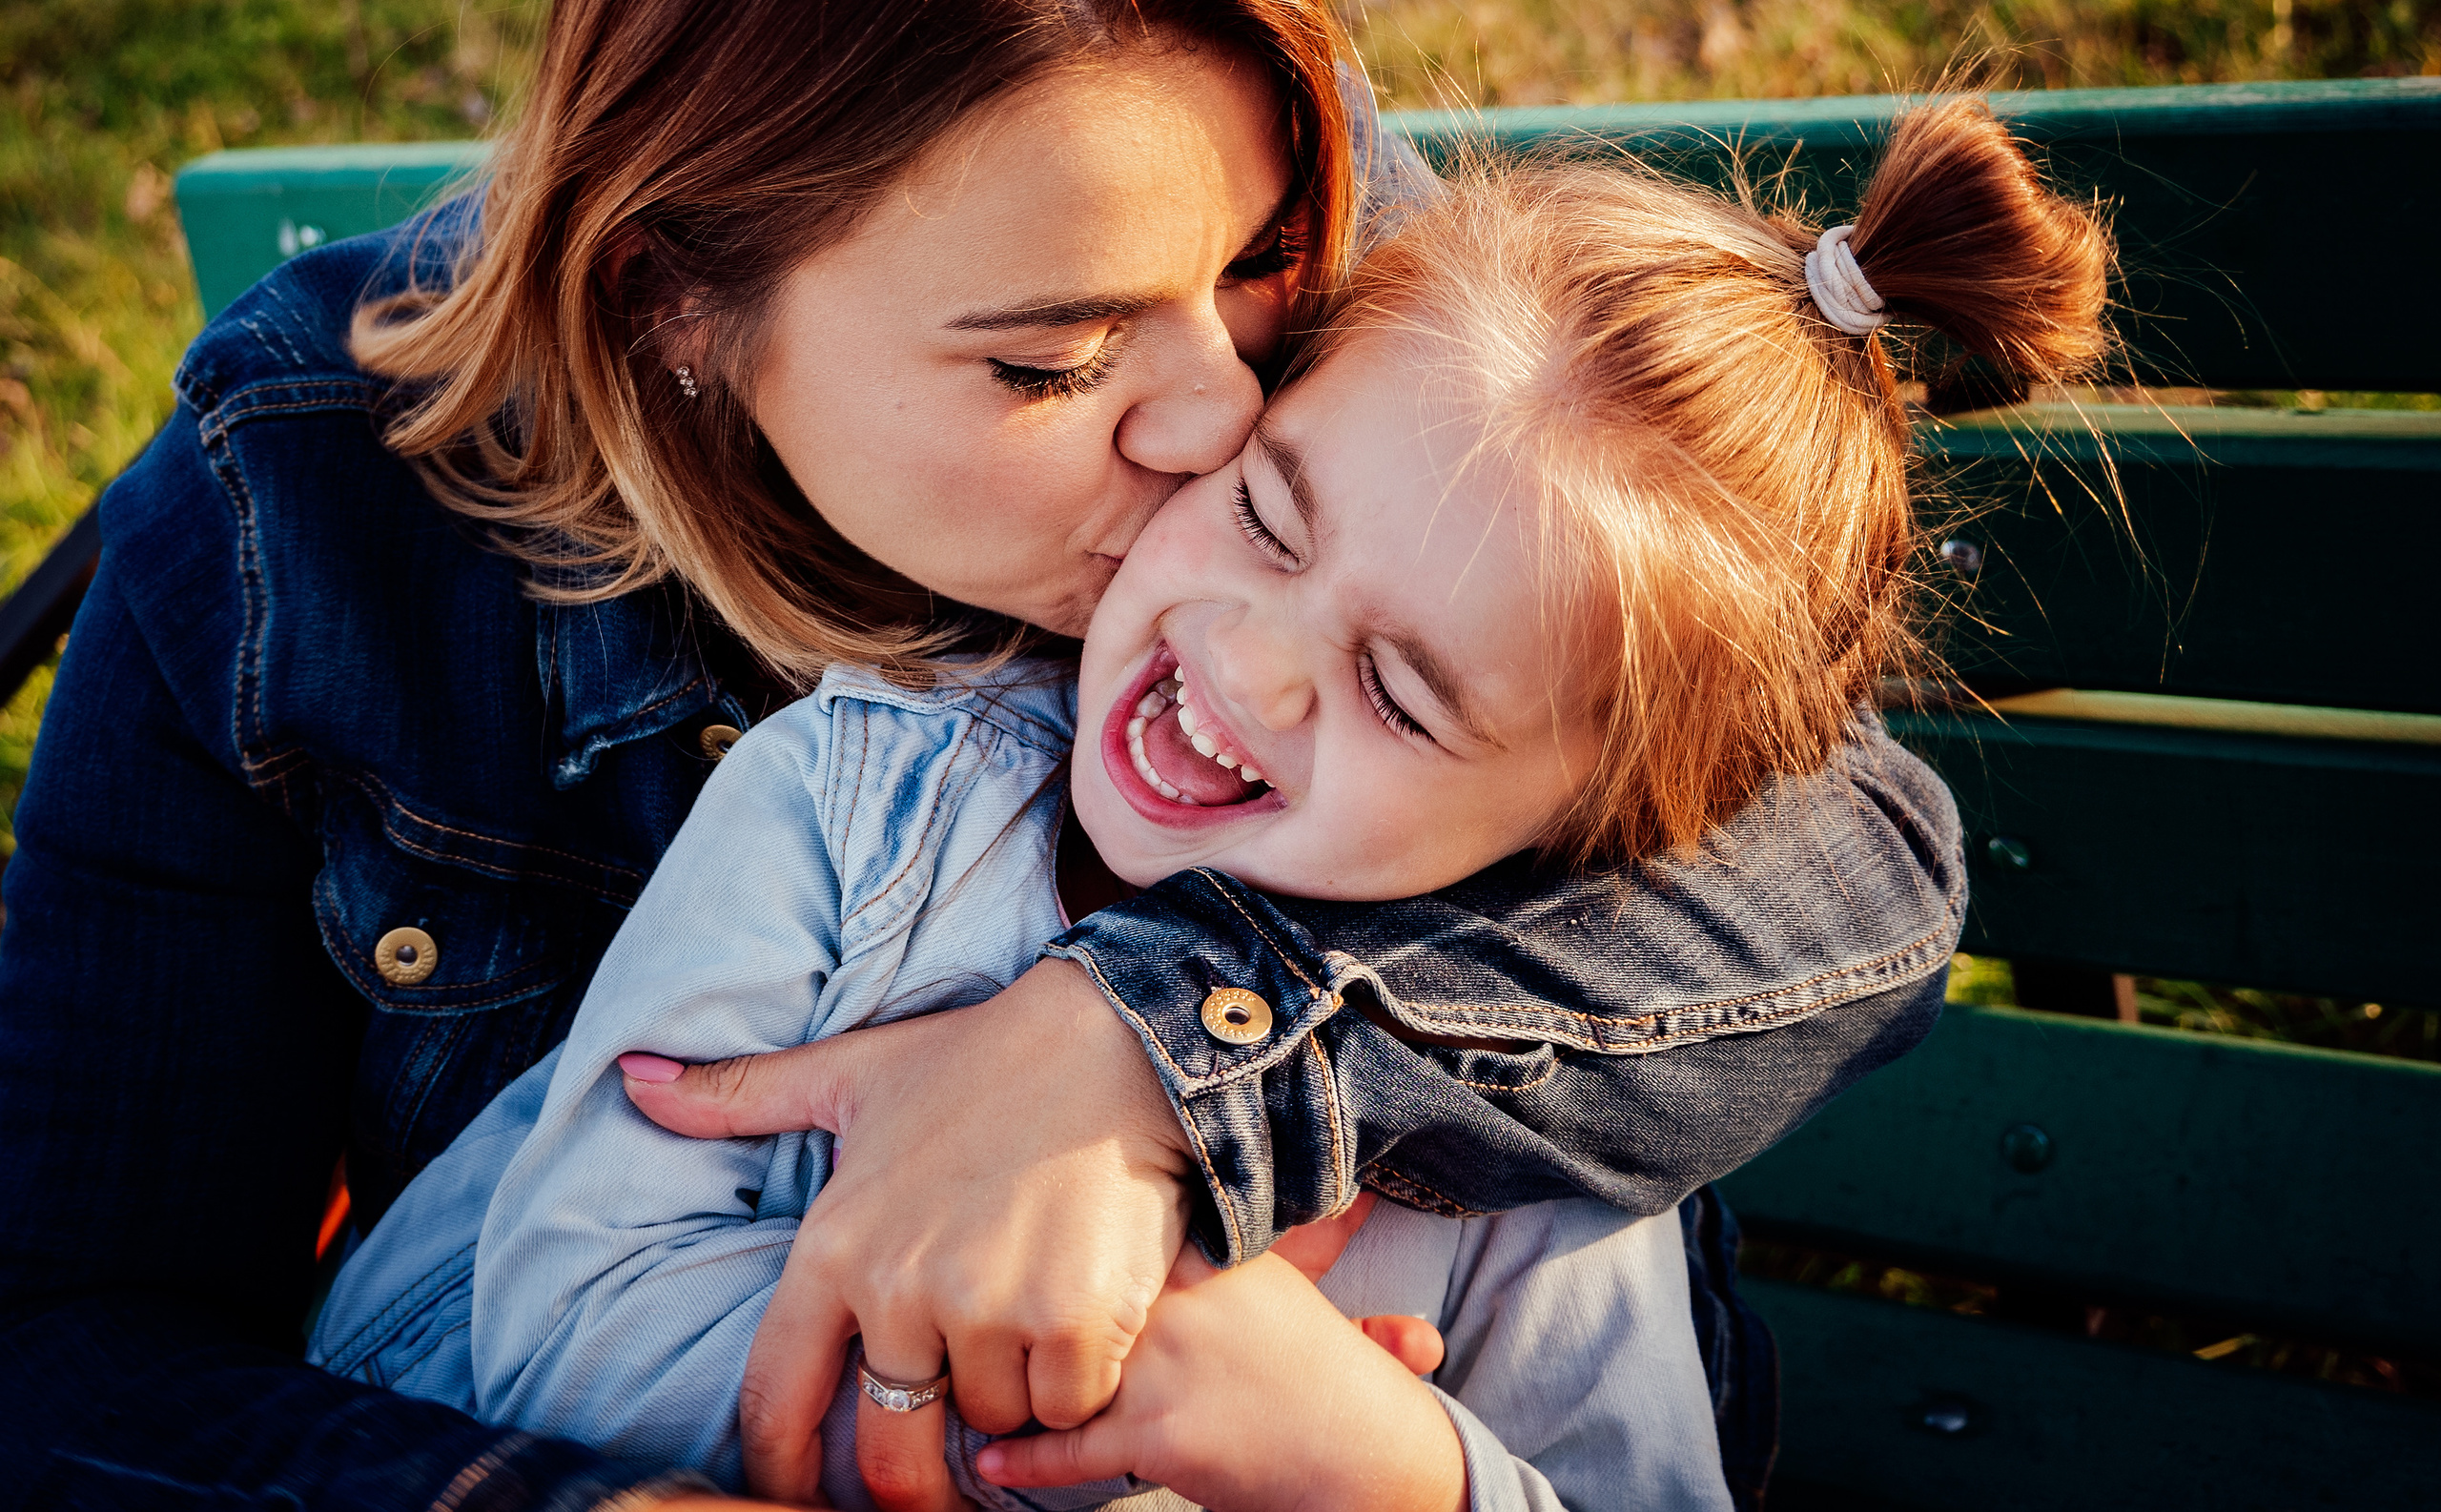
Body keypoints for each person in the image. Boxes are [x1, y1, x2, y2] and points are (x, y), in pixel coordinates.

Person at [0, 0, 1970, 1509]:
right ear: (671, 301)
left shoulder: (1359, 371)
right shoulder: (301, 525)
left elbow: (1849, 853)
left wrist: (1150, 1045)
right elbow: (69, 1342)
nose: (1220, 413)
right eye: (1051, 362)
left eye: (1259, 259)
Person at [307, 95, 2110, 1512]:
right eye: (1264, 510)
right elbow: (558, 1334)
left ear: (1588, 834)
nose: (1251, 661)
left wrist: (1388, 1468)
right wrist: (1099, 1399)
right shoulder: (852, 808)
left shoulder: (1533, 1155)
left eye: (1402, 692)